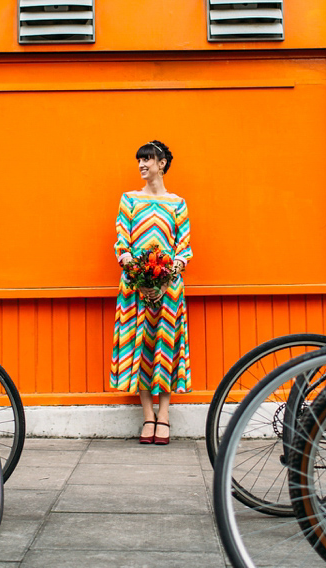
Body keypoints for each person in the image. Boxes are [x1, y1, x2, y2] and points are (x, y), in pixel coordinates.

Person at [110, 140, 192, 445]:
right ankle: (147, 415)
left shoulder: (177, 203)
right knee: (140, 346)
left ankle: (165, 415)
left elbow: (183, 247)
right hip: (135, 288)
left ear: (163, 164)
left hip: (169, 289)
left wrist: (167, 276)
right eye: (139, 160)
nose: (143, 165)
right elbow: (122, 243)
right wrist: (140, 279)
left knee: (165, 346)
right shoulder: (129, 200)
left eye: (149, 159)